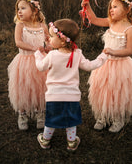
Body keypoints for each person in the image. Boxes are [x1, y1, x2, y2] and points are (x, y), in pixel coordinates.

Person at [34, 18, 107, 151]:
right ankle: (71, 142)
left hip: (54, 96)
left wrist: (38, 54)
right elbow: (90, 65)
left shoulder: (52, 56)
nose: (49, 39)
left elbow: (40, 66)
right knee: (71, 120)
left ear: (62, 40)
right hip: (72, 96)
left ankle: (45, 140)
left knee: (51, 119)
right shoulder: (77, 54)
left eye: (51, 36)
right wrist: (102, 57)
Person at [81, 0, 132, 132]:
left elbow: (129, 50)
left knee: (117, 92)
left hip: (120, 65)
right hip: (105, 64)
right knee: (102, 90)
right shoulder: (111, 22)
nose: (111, 10)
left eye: (115, 7)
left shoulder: (130, 29)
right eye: (111, 7)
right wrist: (87, 6)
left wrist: (114, 52)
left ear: (127, 9)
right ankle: (102, 116)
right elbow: (94, 19)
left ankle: (117, 118)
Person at [8, 0, 50, 130]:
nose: (19, 11)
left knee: (40, 88)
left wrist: (48, 47)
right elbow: (18, 42)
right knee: (23, 89)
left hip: (40, 62)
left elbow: (49, 40)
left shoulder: (42, 26)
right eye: (18, 8)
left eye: (23, 8)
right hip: (24, 62)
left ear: (35, 10)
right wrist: (33, 48)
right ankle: (22, 114)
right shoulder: (20, 25)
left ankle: (40, 113)